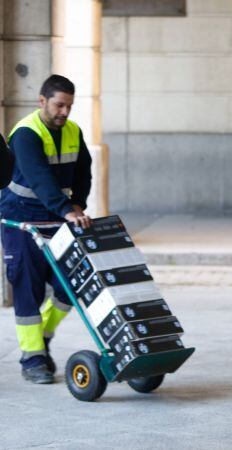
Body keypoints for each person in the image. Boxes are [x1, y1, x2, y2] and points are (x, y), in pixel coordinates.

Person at [0, 74, 92, 384]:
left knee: (71, 284)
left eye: (69, 106)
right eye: (59, 105)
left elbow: (84, 173)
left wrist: (78, 203)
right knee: (28, 285)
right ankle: (33, 358)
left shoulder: (73, 131)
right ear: (42, 101)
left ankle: (41, 337)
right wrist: (67, 209)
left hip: (56, 217)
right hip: (22, 218)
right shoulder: (26, 134)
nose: (64, 112)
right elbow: (39, 179)